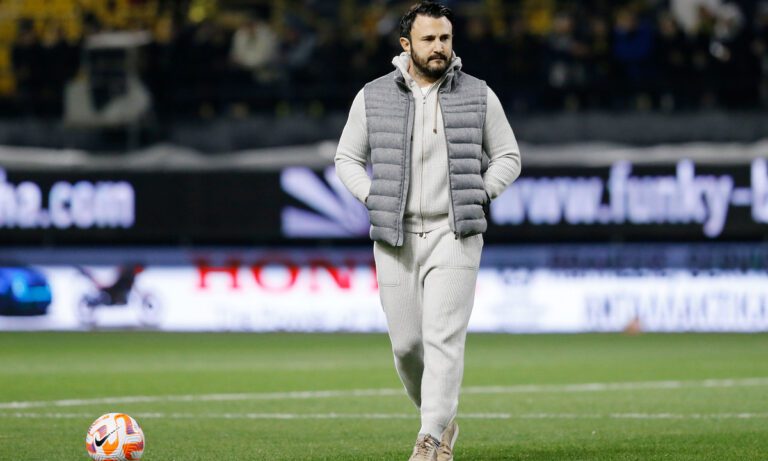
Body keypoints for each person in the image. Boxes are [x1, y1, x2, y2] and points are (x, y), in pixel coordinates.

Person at [334, 2, 521, 460]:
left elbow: (508, 157)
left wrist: (483, 192)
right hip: (394, 236)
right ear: (407, 44)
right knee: (406, 347)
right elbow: (346, 158)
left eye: (445, 38)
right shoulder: (372, 96)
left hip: (454, 233)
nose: (439, 47)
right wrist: (372, 196)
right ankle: (441, 418)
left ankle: (431, 438)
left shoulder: (479, 94)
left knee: (442, 339)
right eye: (429, 39)